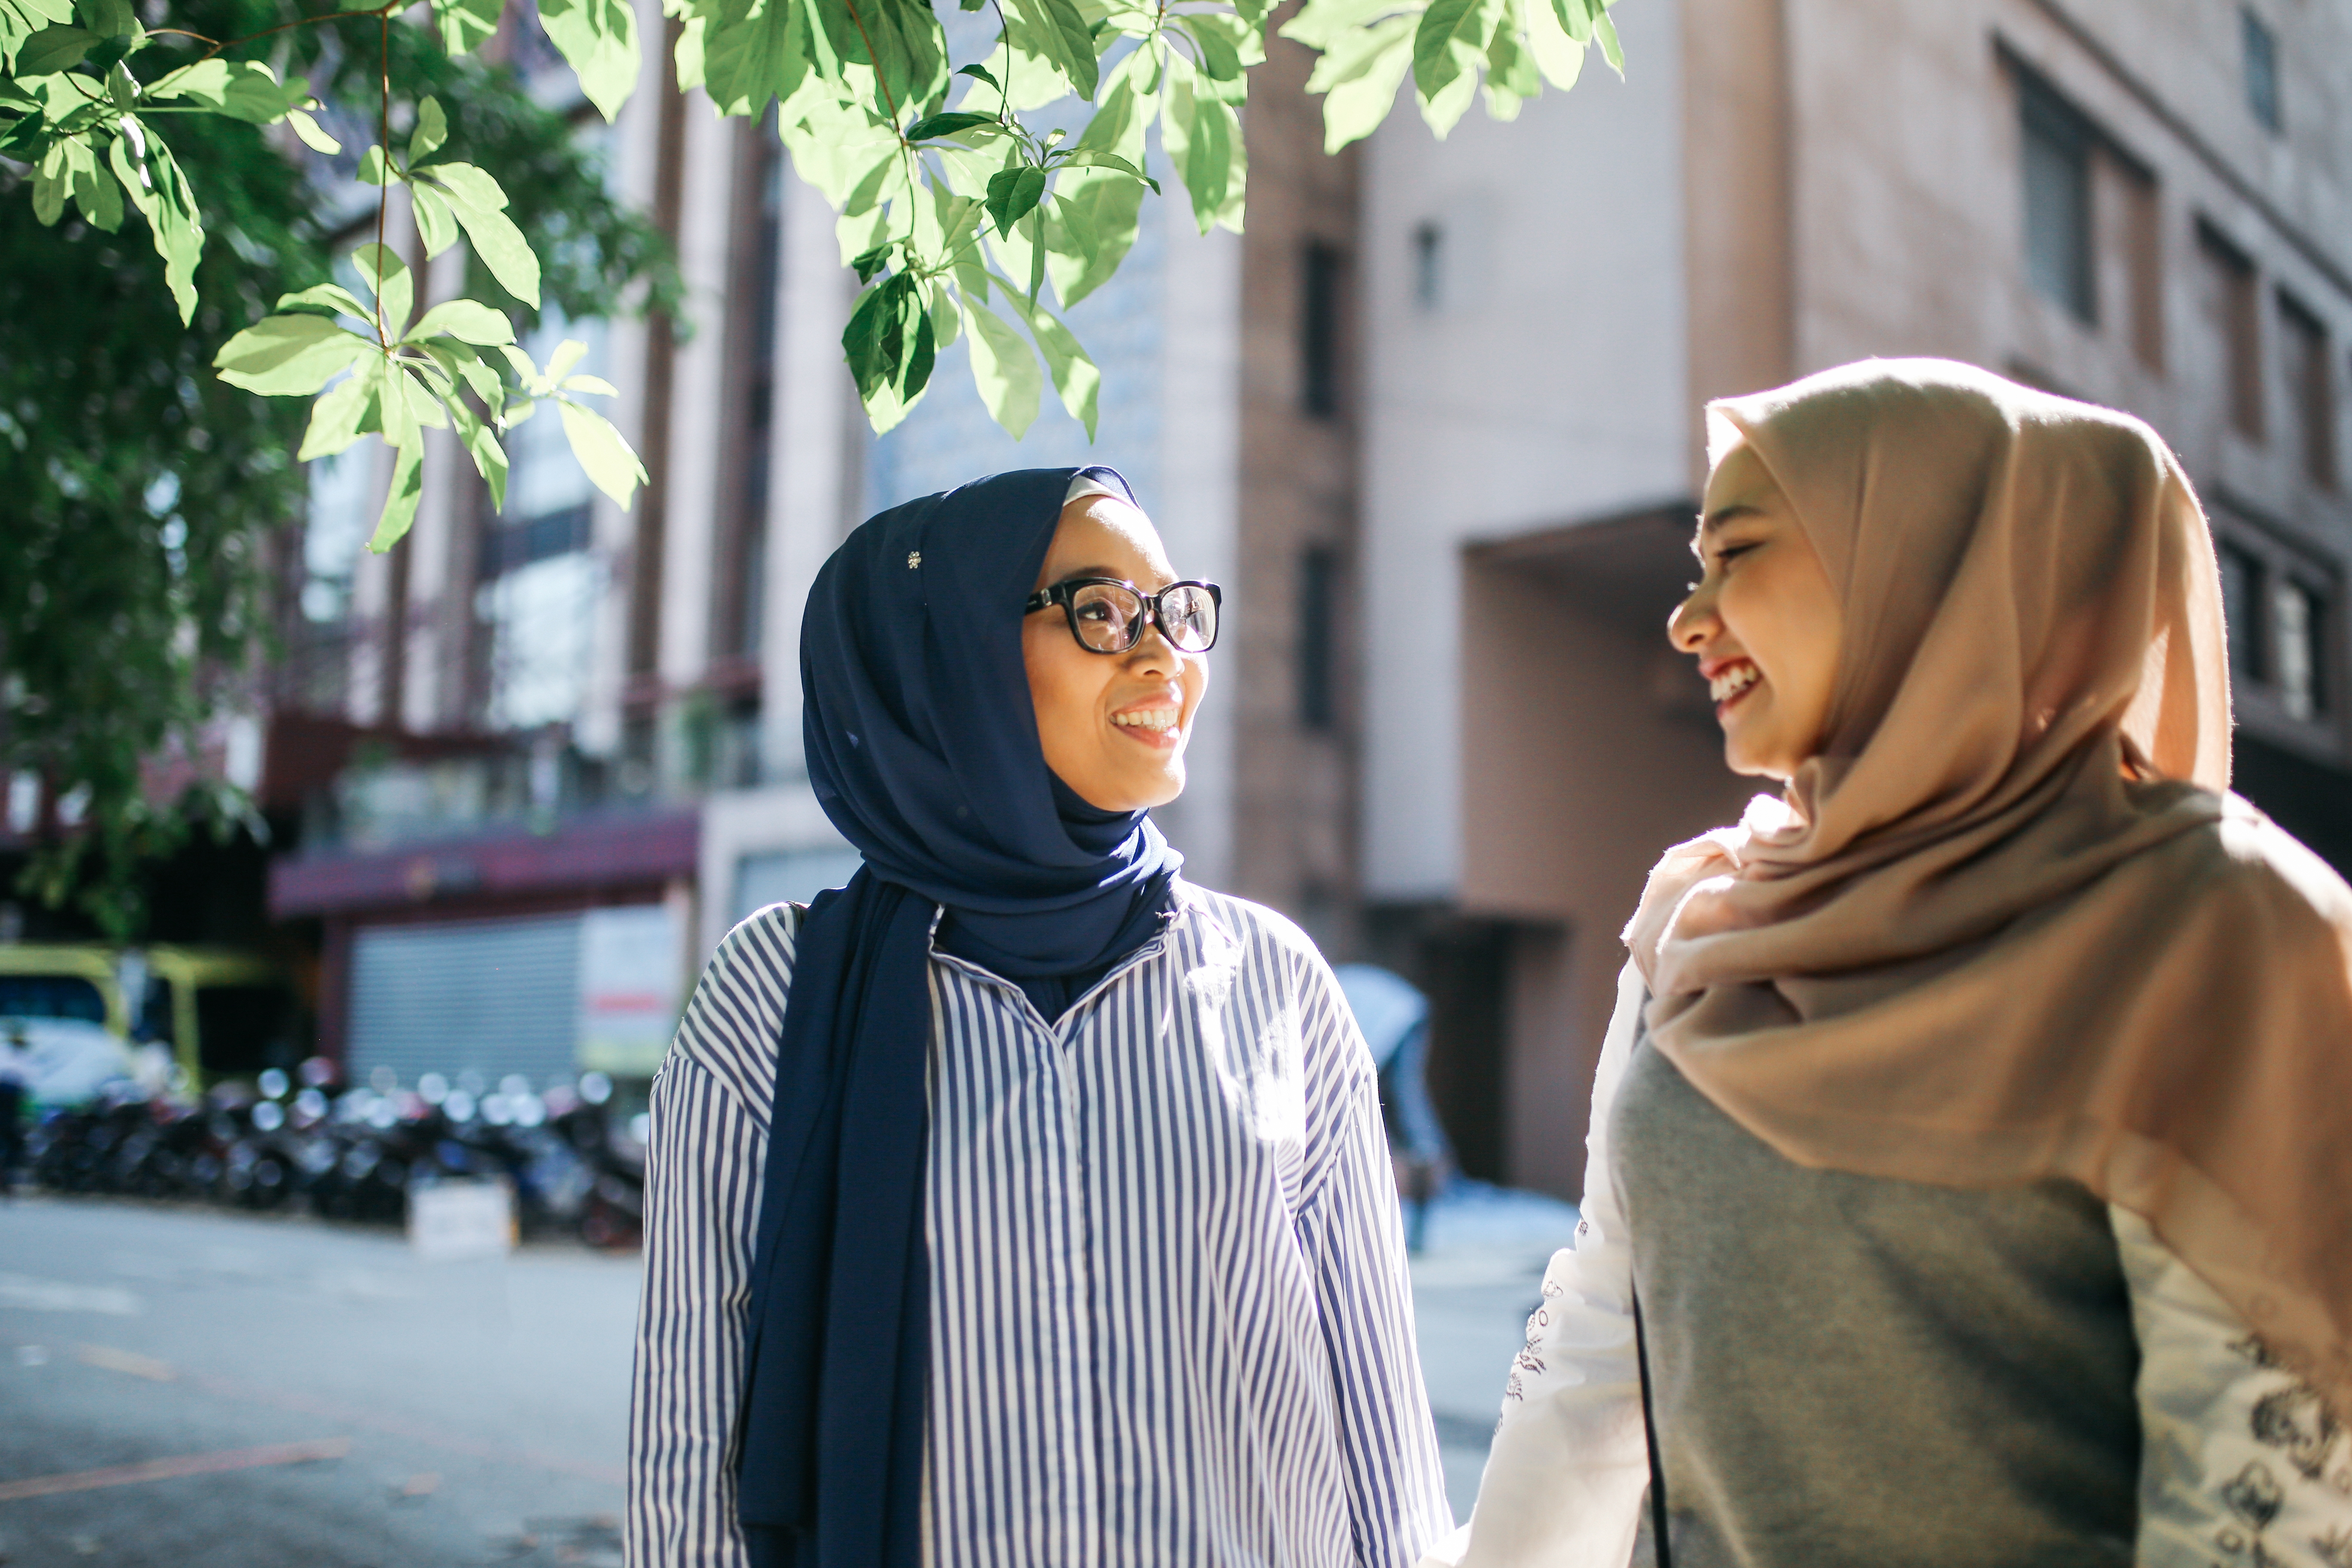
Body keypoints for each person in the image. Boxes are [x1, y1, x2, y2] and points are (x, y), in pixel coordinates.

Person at [1426, 360, 2352, 1568]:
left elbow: (2264, 1493)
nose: (1688, 619)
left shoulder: (2210, 927)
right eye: (1694, 567)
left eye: (1737, 554)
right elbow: (1597, 1329)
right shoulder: (1703, 918)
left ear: (1929, 565)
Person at [628, 467, 1452, 1567]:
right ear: (947, 659)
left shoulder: (1275, 981)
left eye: (1178, 611)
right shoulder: (778, 995)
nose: (1165, 657)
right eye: (1102, 611)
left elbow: (1379, 1428)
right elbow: (688, 1455)